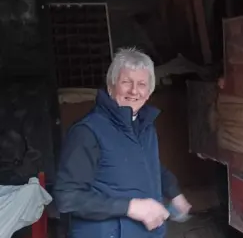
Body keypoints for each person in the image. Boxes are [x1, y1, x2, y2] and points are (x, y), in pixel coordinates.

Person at [53, 48, 191, 238]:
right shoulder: (87, 132)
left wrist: (173, 191)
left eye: (142, 84)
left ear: (149, 92)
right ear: (111, 87)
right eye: (126, 82)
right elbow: (67, 197)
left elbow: (148, 165)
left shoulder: (144, 126)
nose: (134, 90)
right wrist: (131, 207)